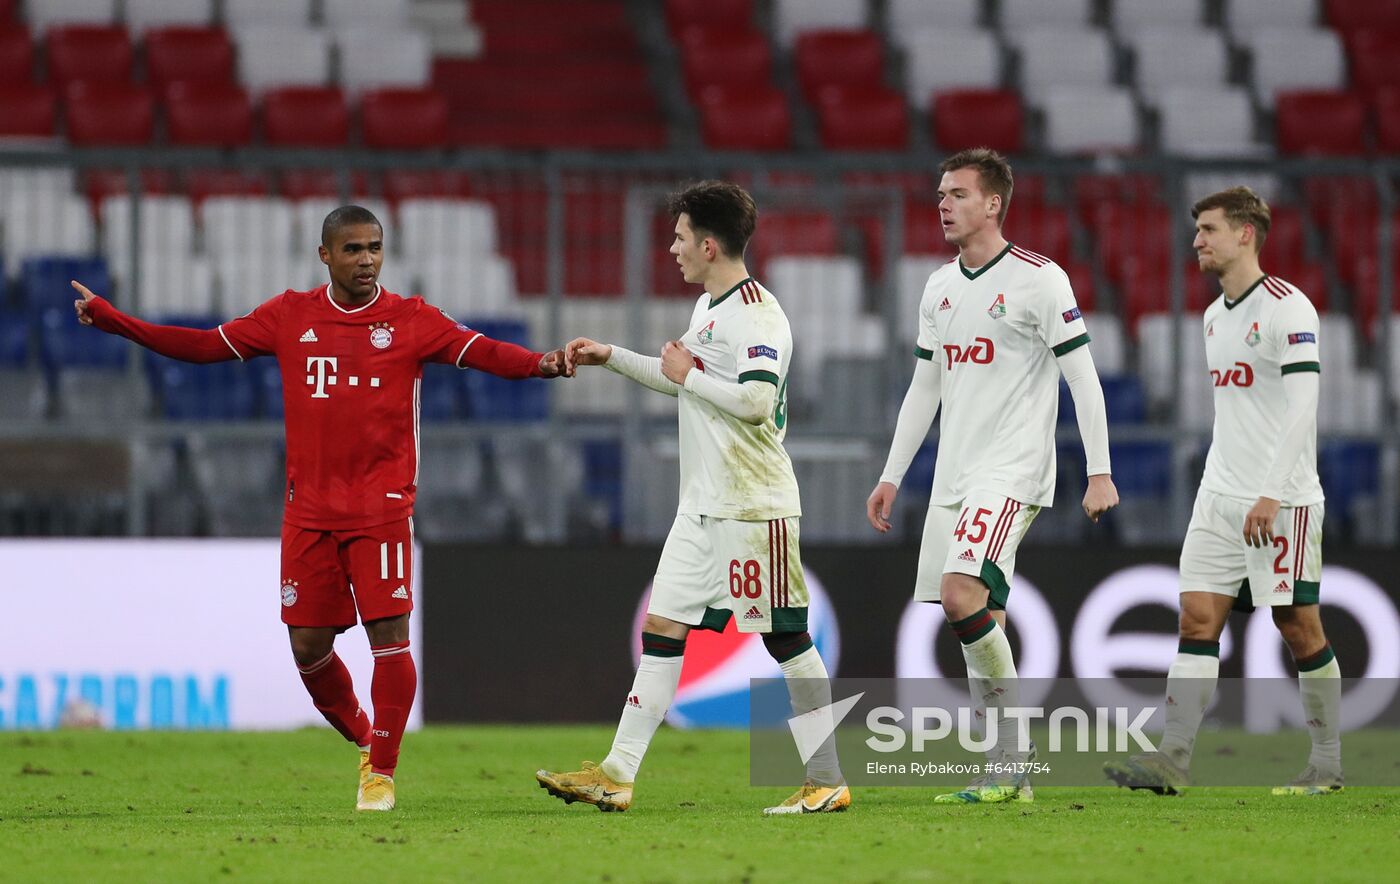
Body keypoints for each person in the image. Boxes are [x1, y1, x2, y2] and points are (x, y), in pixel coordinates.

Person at [73, 205, 568, 811]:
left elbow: (484, 351)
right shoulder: (289, 316)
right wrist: (117, 322)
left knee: (389, 637)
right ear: (325, 255)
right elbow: (203, 347)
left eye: (375, 248)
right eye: (354, 249)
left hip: (381, 507)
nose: (367, 260)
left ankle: (381, 773)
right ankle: (367, 740)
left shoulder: (410, 320)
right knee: (307, 646)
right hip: (307, 512)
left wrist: (542, 363)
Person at [534, 181, 849, 816]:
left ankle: (827, 778)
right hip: (701, 508)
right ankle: (617, 774)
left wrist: (691, 374)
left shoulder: (757, 315)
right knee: (662, 628)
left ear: (709, 244)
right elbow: (685, 382)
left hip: (753, 507)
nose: (671, 248)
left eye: (679, 237)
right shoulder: (711, 308)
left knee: (786, 638)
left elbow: (757, 402)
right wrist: (613, 357)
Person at [865, 148, 1118, 803]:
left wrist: (1099, 470)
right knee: (983, 616)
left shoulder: (1040, 279)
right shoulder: (939, 286)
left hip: (1012, 469)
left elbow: (1082, 377)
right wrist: (893, 474)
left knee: (958, 595)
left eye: (957, 194)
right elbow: (925, 387)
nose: (943, 204)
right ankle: (1007, 774)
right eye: (941, 194)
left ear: (993, 203)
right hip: (954, 474)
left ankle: (1015, 761)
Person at [1105, 186, 1339, 797]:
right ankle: (1172, 760)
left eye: (1208, 229)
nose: (1197, 241)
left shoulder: (1290, 309)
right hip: (1219, 495)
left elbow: (1301, 408)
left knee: (1298, 624)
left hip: (1280, 499)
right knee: (1195, 619)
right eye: (1197, 230)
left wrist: (1270, 491)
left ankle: (1327, 763)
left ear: (1245, 234)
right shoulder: (1212, 316)